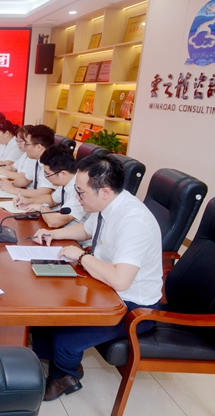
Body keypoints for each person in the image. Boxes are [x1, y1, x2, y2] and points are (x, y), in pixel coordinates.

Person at [30, 154, 162, 401]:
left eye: (80, 192)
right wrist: (52, 234)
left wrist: (81, 257)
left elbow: (120, 280)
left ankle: (64, 377)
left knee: (64, 336)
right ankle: (61, 363)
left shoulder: (134, 222)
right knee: (45, 309)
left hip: (132, 306)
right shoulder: (107, 205)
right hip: (104, 288)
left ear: (104, 192)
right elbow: (86, 230)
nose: (77, 198)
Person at [17, 144, 89, 232]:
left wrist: (42, 207)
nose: (46, 178)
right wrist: (28, 201)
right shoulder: (68, 181)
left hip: (76, 238)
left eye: (48, 174)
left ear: (63, 174)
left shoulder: (81, 191)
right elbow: (52, 199)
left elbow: (54, 222)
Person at [0, 124, 56, 197]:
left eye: (27, 144)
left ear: (39, 147)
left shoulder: (51, 163)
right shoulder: (37, 159)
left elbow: (42, 193)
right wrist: (11, 184)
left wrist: (12, 189)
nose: (25, 147)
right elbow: (26, 179)